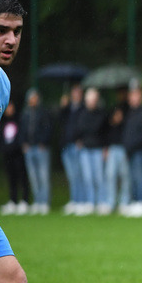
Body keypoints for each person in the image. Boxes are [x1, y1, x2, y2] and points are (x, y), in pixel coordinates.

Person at [0, 0, 103, 283]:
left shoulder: (2, 84)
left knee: (11, 281)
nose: (10, 40)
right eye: (1, 30)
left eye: (17, 31)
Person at [121, 85, 142, 217]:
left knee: (140, 177)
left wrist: (134, 145)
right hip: (129, 151)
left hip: (140, 150)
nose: (134, 99)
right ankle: (135, 201)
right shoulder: (129, 113)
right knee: (132, 178)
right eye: (132, 96)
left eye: (136, 96)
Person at [75, 87, 106, 217]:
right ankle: (90, 202)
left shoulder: (100, 113)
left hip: (97, 149)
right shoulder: (82, 113)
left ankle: (101, 202)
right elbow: (81, 128)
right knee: (87, 177)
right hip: (86, 149)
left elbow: (98, 128)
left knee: (98, 178)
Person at [21, 89, 52, 215]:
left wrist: (43, 142)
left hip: (41, 148)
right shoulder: (25, 113)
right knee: (33, 177)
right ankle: (37, 201)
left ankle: (44, 202)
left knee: (43, 176)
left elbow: (48, 128)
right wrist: (23, 143)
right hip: (29, 148)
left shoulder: (43, 112)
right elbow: (22, 130)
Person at [101, 92, 130, 216]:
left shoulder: (126, 117)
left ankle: (124, 202)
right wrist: (105, 149)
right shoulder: (109, 121)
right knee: (110, 176)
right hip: (112, 149)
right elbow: (105, 135)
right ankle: (110, 202)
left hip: (123, 149)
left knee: (124, 176)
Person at [0, 100, 29, 214]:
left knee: (22, 177)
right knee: (11, 178)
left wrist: (18, 147)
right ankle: (13, 201)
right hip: (7, 154)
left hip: (17, 154)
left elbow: (21, 136)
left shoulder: (18, 120)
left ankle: (24, 201)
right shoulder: (3, 121)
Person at [58, 84, 85, 215]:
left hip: (76, 145)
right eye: (74, 92)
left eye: (78, 92)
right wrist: (62, 107)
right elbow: (60, 121)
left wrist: (81, 139)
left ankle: (80, 201)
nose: (76, 95)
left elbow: (83, 127)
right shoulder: (67, 108)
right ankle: (74, 200)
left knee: (78, 174)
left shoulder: (83, 109)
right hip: (66, 145)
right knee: (71, 176)